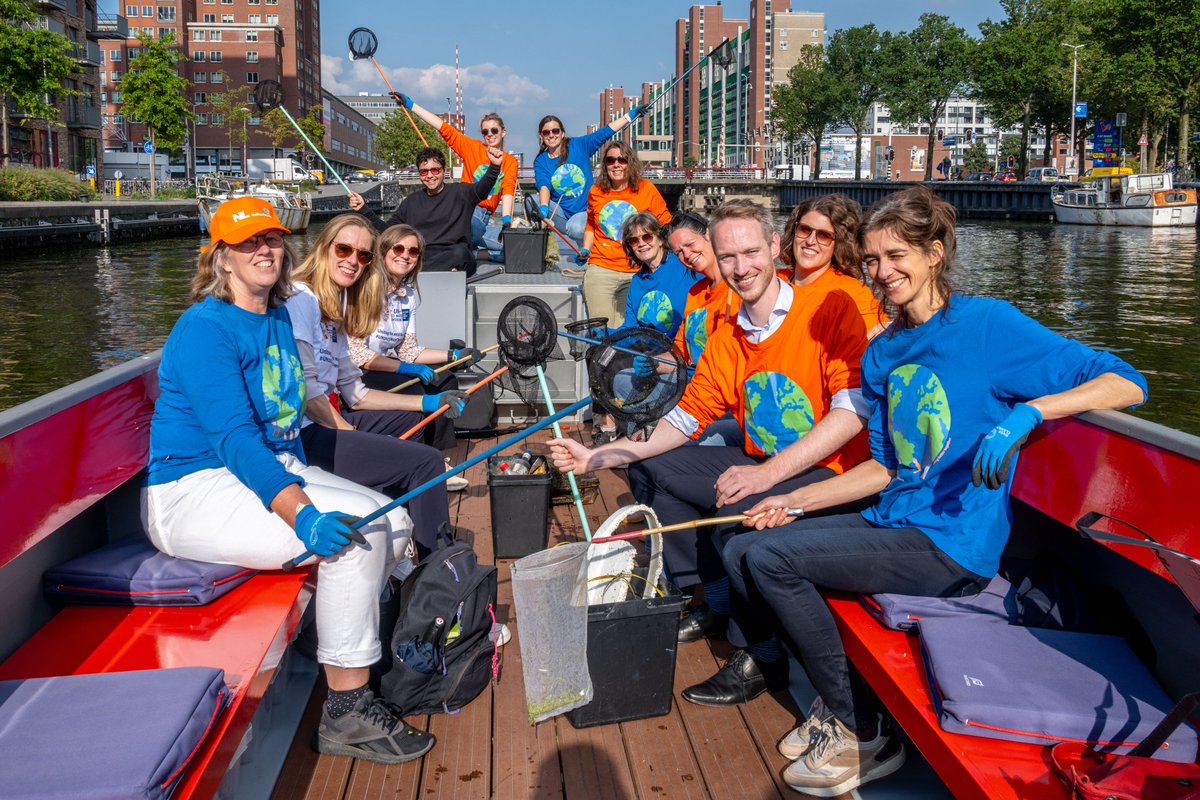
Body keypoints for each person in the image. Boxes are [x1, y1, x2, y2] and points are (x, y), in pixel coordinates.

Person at [737, 187, 1148, 796]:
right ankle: (842, 704)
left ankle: (863, 730)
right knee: (748, 547)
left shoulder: (988, 327)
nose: (882, 272)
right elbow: (884, 469)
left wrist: (1029, 414)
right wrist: (792, 501)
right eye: (872, 260)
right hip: (896, 520)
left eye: (896, 255)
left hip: (952, 547)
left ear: (935, 253)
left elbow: (1126, 383)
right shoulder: (884, 352)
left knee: (774, 559)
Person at [141, 197, 434, 764]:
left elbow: (283, 426)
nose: (263, 250)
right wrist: (303, 512)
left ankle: (336, 642)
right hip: (194, 490)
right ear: (220, 258)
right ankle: (346, 711)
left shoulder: (277, 315)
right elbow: (234, 439)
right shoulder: (205, 329)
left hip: (270, 468)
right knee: (355, 539)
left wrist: (307, 478)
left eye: (272, 239)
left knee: (394, 520)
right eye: (248, 242)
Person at [549, 199, 875, 675]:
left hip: (828, 469)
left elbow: (851, 412)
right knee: (651, 468)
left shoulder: (831, 308)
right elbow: (688, 416)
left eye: (750, 253)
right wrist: (596, 458)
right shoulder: (728, 330)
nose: (740, 269)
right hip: (761, 455)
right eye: (728, 258)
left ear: (774, 247)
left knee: (732, 509)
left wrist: (765, 475)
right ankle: (715, 598)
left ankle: (761, 657)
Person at [286, 213, 468, 558]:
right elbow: (306, 391)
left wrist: (430, 404)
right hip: (302, 435)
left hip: (326, 419)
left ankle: (406, 528)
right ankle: (436, 563)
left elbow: (357, 393)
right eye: (344, 249)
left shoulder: (337, 307)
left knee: (413, 419)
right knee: (427, 463)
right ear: (324, 248)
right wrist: (347, 431)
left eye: (363, 255)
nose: (353, 260)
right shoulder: (301, 299)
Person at [346, 223, 482, 484]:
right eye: (398, 248)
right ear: (384, 251)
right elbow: (356, 354)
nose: (405, 255)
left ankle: (434, 456)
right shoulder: (365, 288)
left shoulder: (407, 295)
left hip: (387, 366)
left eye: (413, 251)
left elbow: (408, 351)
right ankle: (414, 460)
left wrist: (455, 356)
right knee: (416, 389)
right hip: (358, 372)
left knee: (446, 381)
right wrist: (403, 369)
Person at [393, 93, 518, 263]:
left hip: (482, 214)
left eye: (494, 130)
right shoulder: (472, 148)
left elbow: (508, 189)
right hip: (463, 208)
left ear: (503, 132)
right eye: (485, 131)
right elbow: (444, 128)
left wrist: (506, 221)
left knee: (512, 249)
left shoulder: (509, 161)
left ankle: (472, 253)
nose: (489, 134)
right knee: (471, 227)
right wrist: (410, 105)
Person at [350, 146, 502, 277]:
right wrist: (364, 210)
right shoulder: (411, 202)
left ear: (444, 171)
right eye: (424, 172)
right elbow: (387, 231)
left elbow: (483, 188)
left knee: (460, 253)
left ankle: (416, 274)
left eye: (435, 170)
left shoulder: (461, 192)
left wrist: (494, 166)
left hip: (454, 255)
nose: (430, 176)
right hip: (420, 256)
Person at [578, 140, 671, 329]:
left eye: (622, 159)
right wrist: (585, 250)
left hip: (636, 271)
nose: (616, 164)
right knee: (601, 331)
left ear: (630, 162)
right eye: (611, 160)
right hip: (601, 268)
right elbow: (590, 225)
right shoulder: (596, 191)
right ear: (605, 165)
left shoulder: (646, 189)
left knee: (627, 332)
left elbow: (666, 225)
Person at [533, 108, 641, 257]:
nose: (551, 135)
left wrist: (629, 116)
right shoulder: (541, 161)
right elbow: (543, 185)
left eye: (555, 131)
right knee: (531, 201)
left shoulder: (578, 146)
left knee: (576, 228)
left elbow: (604, 133)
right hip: (561, 214)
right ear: (541, 136)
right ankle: (538, 247)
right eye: (546, 132)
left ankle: (587, 248)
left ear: (562, 133)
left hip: (584, 212)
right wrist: (544, 207)